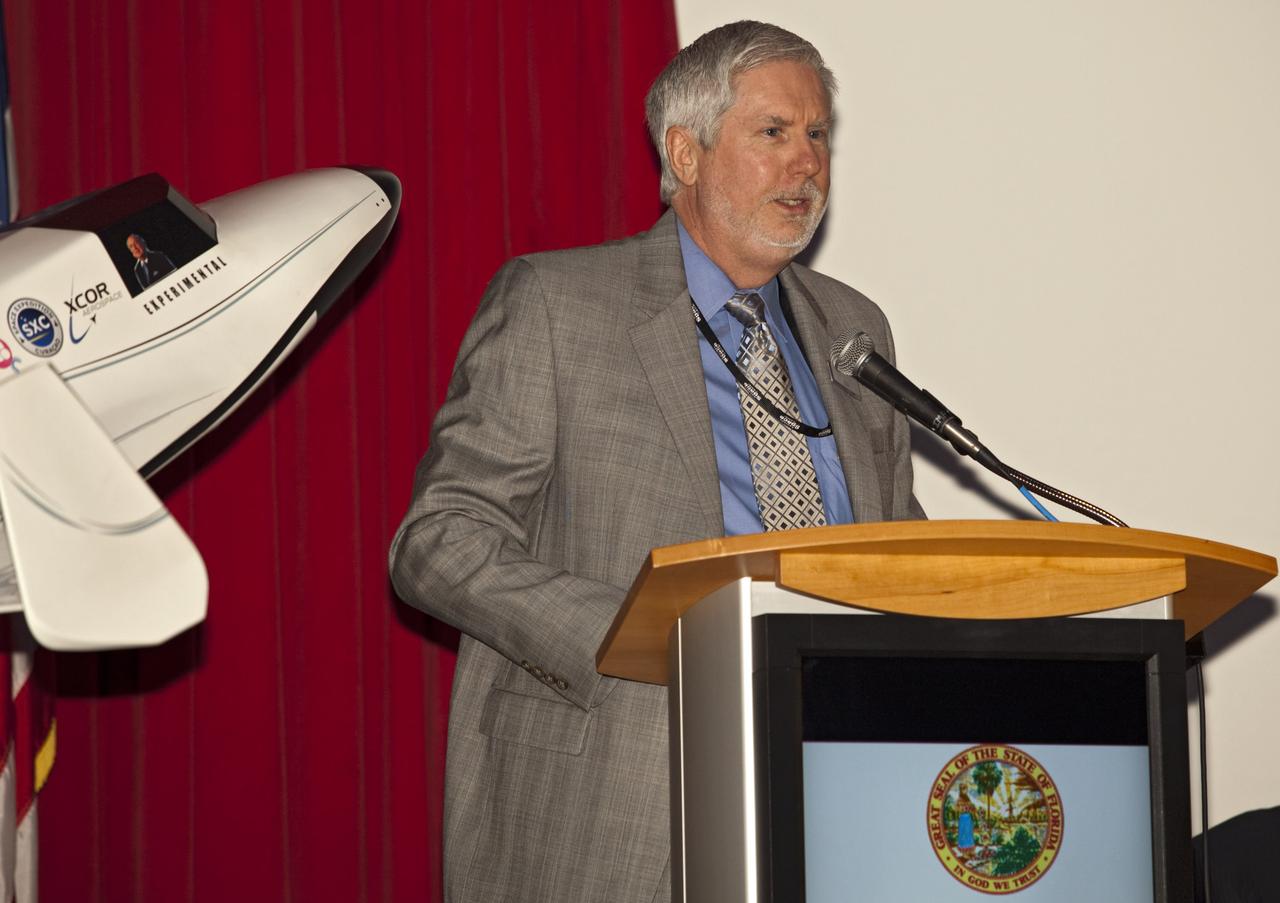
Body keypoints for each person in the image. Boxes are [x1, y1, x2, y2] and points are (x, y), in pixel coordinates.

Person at [390, 20, 923, 903]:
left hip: (832, 780)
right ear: (686, 150)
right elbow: (439, 541)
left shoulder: (853, 329)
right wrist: (650, 633)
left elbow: (894, 540)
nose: (808, 165)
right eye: (775, 133)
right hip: (617, 781)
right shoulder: (559, 305)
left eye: (819, 133)